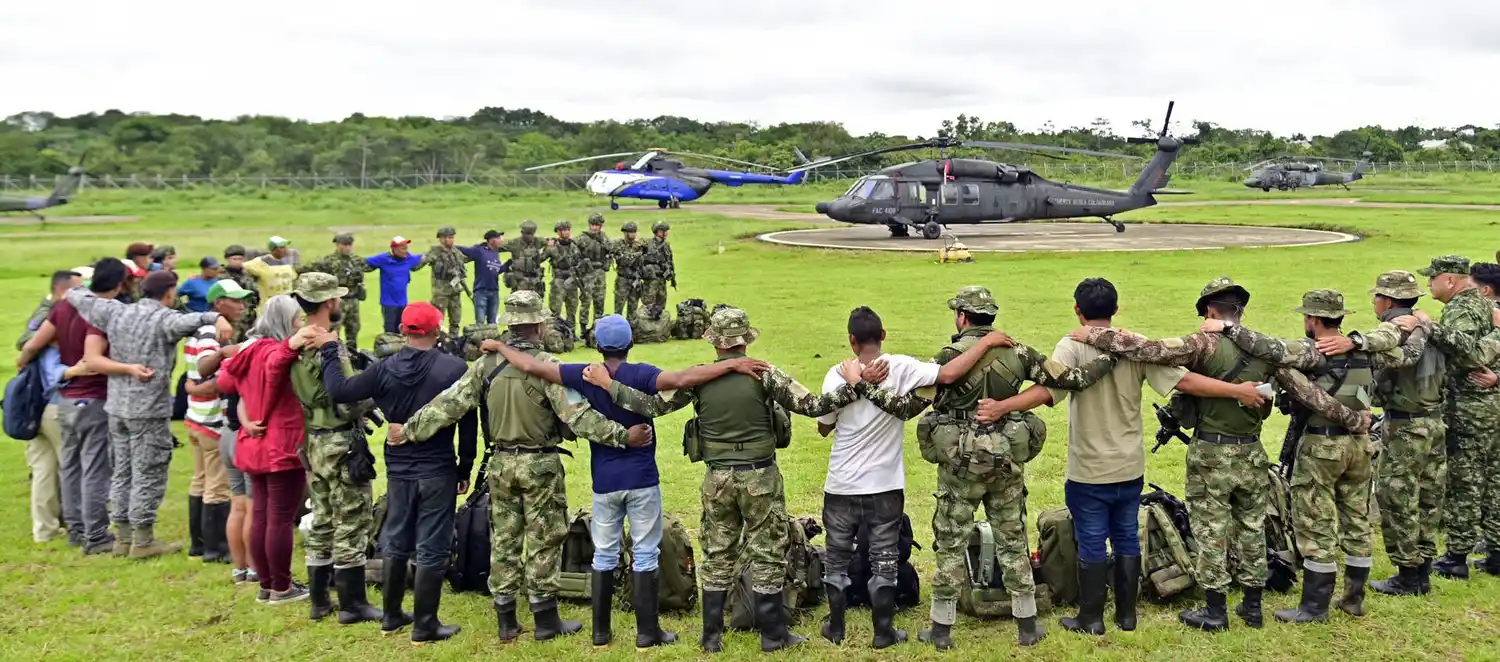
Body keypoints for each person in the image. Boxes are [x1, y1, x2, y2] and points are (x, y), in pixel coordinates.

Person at [1061, 278, 1381, 631]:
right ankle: (1253, 606)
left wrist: (1097, 335)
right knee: (1252, 527)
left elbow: (1152, 350)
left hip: (1211, 453)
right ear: (1239, 311)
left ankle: (1215, 610)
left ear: (1211, 311)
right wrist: (1354, 418)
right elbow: (1305, 393)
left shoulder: (1203, 343)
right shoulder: (1265, 350)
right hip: (1252, 451)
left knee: (1210, 530)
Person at [584, 306, 867, 654]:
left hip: (717, 479)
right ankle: (773, 635)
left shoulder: (699, 378)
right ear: (745, 340)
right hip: (760, 476)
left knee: (717, 554)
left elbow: (649, 405)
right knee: (767, 554)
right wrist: (854, 386)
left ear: (715, 342)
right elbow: (813, 405)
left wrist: (608, 385)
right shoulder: (764, 373)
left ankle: (711, 636)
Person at [851, 286, 1117, 649]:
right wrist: (1110, 357)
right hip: (1006, 460)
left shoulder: (948, 358)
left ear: (962, 317)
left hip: (959, 466)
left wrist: (865, 387)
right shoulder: (1018, 351)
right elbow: (1072, 379)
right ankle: (1027, 626)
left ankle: (941, 630)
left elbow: (908, 408)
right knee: (1013, 540)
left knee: (950, 543)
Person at [489, 313, 768, 649]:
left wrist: (501, 348)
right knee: (645, 552)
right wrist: (732, 364)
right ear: (631, 343)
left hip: (604, 482)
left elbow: (532, 366)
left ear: (597, 345)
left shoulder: (583, 373)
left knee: (604, 554)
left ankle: (600, 633)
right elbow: (684, 378)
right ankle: (648, 633)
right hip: (642, 479)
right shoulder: (641, 374)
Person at [388, 291, 649, 644]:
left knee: (504, 541)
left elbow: (448, 404)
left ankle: (506, 620)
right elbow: (580, 417)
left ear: (509, 325)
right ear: (538, 325)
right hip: (540, 463)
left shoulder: (487, 365)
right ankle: (545, 619)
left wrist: (408, 430)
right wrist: (623, 436)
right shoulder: (546, 367)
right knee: (545, 539)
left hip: (500, 463)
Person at [812, 306, 1027, 649]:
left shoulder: (836, 375)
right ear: (883, 336)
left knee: (836, 559)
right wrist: (986, 343)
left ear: (851, 340)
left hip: (841, 483)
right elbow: (949, 374)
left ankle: (836, 627)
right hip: (885, 484)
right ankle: (883, 632)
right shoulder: (901, 367)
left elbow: (824, 426)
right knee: (884, 560)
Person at [1201, 289, 1417, 623]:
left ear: (1314, 319)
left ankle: (1314, 607)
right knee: (1357, 521)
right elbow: (1405, 349)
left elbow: (1269, 347)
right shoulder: (1367, 352)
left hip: (1322, 445)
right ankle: (1353, 598)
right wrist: (1418, 325)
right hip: (1361, 445)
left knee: (1316, 525)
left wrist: (1228, 328)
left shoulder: (1312, 351)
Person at [321, 301, 475, 643]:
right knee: (433, 544)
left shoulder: (383, 369)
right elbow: (468, 420)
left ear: (403, 330)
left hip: (399, 467)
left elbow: (340, 391)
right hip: (438, 466)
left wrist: (330, 351)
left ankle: (391, 615)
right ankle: (425, 624)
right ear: (438, 329)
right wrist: (465, 465)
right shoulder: (454, 368)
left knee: (396, 539)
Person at [67, 269, 227, 558]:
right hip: (149, 409)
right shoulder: (164, 319)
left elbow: (80, 298)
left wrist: (76, 286)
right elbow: (193, 320)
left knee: (122, 471)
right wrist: (216, 317)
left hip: (117, 406)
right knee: (147, 472)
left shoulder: (117, 312)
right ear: (169, 293)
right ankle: (143, 541)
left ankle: (123, 538)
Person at [277, 273, 384, 624]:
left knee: (321, 518)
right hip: (340, 440)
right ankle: (353, 604)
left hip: (313, 440)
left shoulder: (293, 344)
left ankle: (319, 600)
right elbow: (348, 400)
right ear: (329, 303)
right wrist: (373, 394)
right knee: (352, 518)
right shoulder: (329, 346)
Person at [216, 295, 322, 605]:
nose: (301, 324)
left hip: (253, 444)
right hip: (281, 444)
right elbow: (275, 367)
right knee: (280, 519)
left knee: (261, 515)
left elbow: (226, 381)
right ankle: (282, 587)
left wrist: (247, 413)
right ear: (285, 322)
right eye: (297, 319)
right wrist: (292, 346)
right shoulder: (275, 352)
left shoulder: (248, 350)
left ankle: (266, 583)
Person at [18, 260, 125, 555]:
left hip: (65, 399)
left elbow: (32, 344)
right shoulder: (103, 311)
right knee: (94, 468)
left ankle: (76, 530)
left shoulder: (64, 307)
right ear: (118, 285)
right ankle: (97, 535)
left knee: (71, 466)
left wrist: (22, 363)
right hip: (94, 396)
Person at [1362, 270, 1448, 595]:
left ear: (1386, 301)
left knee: (1397, 497)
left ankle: (1408, 575)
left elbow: (1375, 383)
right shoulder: (1429, 327)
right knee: (1429, 496)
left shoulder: (1391, 331)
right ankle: (1423, 570)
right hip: (1434, 422)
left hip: (1405, 425)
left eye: (1377, 297)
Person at [1417, 255, 1500, 580]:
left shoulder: (1461, 308)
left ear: (1450, 280)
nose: (1428, 284)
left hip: (1468, 408)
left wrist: (1430, 326)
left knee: (1464, 482)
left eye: (1432, 278)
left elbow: (1466, 353)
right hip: (1491, 406)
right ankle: (1496, 552)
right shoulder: (1485, 304)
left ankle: (1456, 556)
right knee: (1493, 480)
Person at [182, 280, 253, 565]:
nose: (242, 306)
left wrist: (191, 388)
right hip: (211, 420)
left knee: (200, 481)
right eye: (235, 300)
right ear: (218, 303)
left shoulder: (199, 331)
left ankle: (198, 544)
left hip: (195, 417)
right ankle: (216, 548)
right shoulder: (211, 335)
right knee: (217, 485)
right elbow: (213, 379)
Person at [13, 270, 79, 544]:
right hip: (55, 405)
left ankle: (45, 530)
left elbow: (25, 348)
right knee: (72, 467)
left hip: (34, 406)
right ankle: (79, 526)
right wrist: (78, 369)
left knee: (43, 470)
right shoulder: (56, 322)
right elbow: (54, 373)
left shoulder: (41, 320)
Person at [1457, 262, 1500, 575]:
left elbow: (1471, 356)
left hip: (1485, 412)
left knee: (1479, 479)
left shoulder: (1492, 320)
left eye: (1470, 287)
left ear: (1485, 291)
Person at [298, 233, 368, 349]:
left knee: (353, 330)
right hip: (336, 301)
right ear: (337, 245)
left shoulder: (356, 261)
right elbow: (308, 270)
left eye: (349, 244)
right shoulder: (329, 261)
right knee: (334, 331)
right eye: (344, 244)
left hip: (353, 300)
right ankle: (333, 353)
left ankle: (352, 354)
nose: (347, 247)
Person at [414, 226, 471, 338]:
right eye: (449, 237)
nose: (451, 240)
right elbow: (418, 265)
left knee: (456, 319)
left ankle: (454, 340)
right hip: (441, 293)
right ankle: (437, 340)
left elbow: (464, 261)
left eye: (452, 237)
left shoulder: (455, 251)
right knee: (437, 320)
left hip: (455, 291)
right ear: (441, 239)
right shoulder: (435, 252)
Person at [365, 236, 423, 334]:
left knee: (402, 330)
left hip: (403, 303)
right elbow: (366, 262)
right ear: (394, 249)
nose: (406, 251)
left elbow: (423, 258)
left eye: (406, 248)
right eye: (403, 248)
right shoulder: (384, 259)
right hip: (389, 304)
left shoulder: (409, 259)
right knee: (390, 332)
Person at [542, 220, 583, 335]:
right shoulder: (552, 247)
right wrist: (545, 245)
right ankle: (554, 334)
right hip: (558, 281)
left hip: (572, 281)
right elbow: (540, 259)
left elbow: (580, 261)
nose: (567, 232)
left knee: (572, 309)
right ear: (558, 232)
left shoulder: (575, 246)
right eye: (564, 230)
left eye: (568, 230)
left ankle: (571, 333)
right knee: (555, 309)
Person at [458, 230, 506, 325]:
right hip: (481, 291)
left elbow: (495, 270)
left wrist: (507, 265)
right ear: (491, 240)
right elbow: (464, 249)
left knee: (492, 322)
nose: (501, 240)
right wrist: (449, 246)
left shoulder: (495, 253)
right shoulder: (479, 251)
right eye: (498, 238)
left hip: (494, 291)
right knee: (480, 321)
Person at [575, 214, 612, 332]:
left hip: (600, 272)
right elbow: (574, 253)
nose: (595, 227)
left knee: (600, 300)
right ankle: (583, 328)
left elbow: (610, 249)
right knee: (586, 300)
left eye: (597, 225)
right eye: (593, 225)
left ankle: (598, 326)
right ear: (589, 225)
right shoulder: (582, 238)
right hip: (587, 273)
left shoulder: (604, 237)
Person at [243, 237, 298, 308]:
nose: (286, 250)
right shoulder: (261, 262)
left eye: (285, 247)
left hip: (287, 305)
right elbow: (243, 266)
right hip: (268, 306)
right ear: (273, 250)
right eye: (282, 247)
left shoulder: (287, 263)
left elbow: (293, 277)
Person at [499, 220, 546, 297]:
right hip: (519, 280)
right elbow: (495, 247)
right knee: (519, 301)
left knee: (536, 301)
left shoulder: (539, 241)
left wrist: (542, 257)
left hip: (535, 280)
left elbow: (551, 243)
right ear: (522, 232)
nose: (529, 236)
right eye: (527, 233)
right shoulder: (514, 243)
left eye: (531, 234)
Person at [223, 245, 261, 339]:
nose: (237, 261)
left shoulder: (248, 273)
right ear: (227, 259)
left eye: (240, 259)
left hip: (249, 318)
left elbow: (255, 293)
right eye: (234, 259)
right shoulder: (221, 276)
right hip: (231, 319)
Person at [612, 222, 646, 318]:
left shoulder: (639, 245)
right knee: (618, 309)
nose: (633, 234)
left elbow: (642, 263)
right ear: (625, 233)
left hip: (635, 280)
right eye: (631, 232)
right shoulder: (618, 245)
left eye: (634, 232)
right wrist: (637, 254)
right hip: (623, 280)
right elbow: (623, 261)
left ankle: (631, 326)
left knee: (633, 310)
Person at [639, 222, 675, 309]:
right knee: (648, 306)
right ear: (658, 232)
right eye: (664, 231)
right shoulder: (647, 243)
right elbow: (638, 257)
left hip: (662, 280)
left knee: (661, 306)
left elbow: (669, 261)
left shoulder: (666, 245)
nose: (666, 233)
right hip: (651, 280)